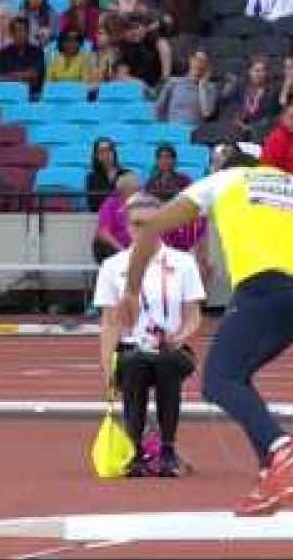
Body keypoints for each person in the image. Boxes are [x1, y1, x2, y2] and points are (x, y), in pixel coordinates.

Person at [117, 148, 293, 515]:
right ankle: (270, 479)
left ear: (226, 167)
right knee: (237, 379)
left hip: (260, 290)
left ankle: (280, 445)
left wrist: (132, 289)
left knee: (217, 382)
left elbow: (151, 227)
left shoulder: (224, 180)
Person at [95, 191, 205, 478]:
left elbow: (193, 314)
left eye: (148, 223)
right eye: (135, 224)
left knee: (167, 363)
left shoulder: (183, 263)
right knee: (133, 365)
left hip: (172, 348)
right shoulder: (113, 267)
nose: (141, 230)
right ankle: (136, 451)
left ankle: (167, 449)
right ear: (127, 226)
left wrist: (179, 335)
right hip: (132, 348)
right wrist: (107, 365)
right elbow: (109, 322)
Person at [93, 171, 141, 262]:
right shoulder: (111, 204)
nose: (138, 192)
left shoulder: (140, 204)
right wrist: (122, 250)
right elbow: (104, 233)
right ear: (124, 190)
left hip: (132, 246)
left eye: (138, 189)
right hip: (111, 245)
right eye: (136, 189)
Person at [86, 138, 126, 213]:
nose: (106, 154)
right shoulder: (91, 178)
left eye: (109, 150)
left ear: (114, 152)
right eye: (102, 151)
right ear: (96, 156)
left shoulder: (126, 174)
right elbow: (93, 206)